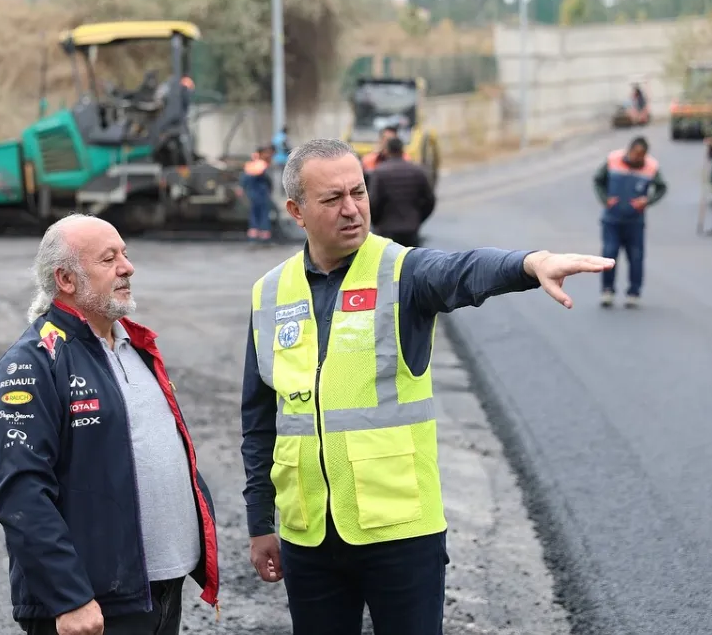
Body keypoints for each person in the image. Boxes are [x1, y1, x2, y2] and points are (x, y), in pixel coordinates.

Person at [238, 138, 614, 635]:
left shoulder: (403, 271)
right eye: (332, 199)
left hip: (400, 535)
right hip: (310, 538)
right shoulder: (269, 294)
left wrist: (529, 264)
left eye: (358, 192)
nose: (352, 209)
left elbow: (464, 270)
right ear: (296, 211)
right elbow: (261, 418)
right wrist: (260, 521)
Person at [0, 215, 219, 635]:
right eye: (108, 259)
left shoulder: (134, 345)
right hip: (93, 606)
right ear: (66, 279)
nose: (127, 267)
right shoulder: (32, 364)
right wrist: (68, 597)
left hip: (160, 590)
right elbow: (22, 494)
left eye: (125, 254)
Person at [593, 135, 667, 308]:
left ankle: (634, 293)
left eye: (641, 155)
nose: (637, 158)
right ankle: (607, 290)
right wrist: (605, 199)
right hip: (611, 219)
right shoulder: (613, 160)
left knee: (636, 257)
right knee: (609, 254)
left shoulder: (651, 167)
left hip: (635, 221)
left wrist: (647, 201)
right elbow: (598, 181)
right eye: (635, 154)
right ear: (629, 150)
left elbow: (662, 188)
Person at [368, 136, 435, 247]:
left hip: (386, 230)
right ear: (402, 150)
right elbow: (430, 200)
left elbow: (373, 202)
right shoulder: (417, 171)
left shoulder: (379, 172)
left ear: (387, 150)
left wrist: (377, 222)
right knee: (411, 263)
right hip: (411, 229)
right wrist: (417, 218)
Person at [241, 145, 275, 242]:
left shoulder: (249, 166)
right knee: (263, 214)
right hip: (261, 194)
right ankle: (265, 236)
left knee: (254, 215)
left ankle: (253, 236)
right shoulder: (262, 165)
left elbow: (244, 180)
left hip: (252, 194)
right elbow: (268, 181)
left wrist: (242, 188)